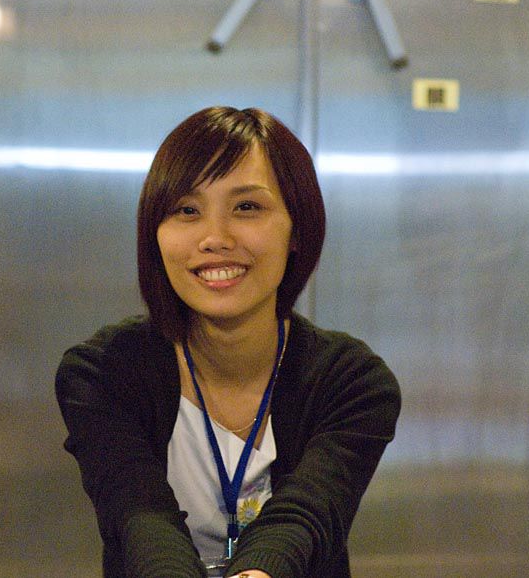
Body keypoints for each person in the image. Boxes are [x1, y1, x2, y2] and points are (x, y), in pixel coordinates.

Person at [55, 106, 401, 577]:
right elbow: (139, 518)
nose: (215, 238)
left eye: (247, 207)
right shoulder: (103, 374)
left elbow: (304, 518)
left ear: (297, 229)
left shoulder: (353, 382)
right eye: (187, 210)